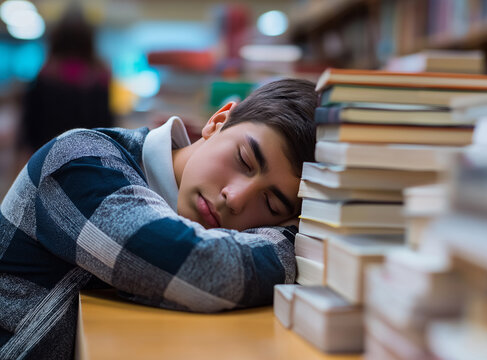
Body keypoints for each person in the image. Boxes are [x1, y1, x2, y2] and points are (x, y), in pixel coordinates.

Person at [0, 78, 317, 359]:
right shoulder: (80, 159)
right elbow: (205, 268)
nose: (234, 198)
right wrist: (296, 240)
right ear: (218, 121)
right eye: (244, 160)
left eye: (272, 203)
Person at [17, 4, 113, 166]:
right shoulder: (99, 75)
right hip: (88, 158)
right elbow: (106, 122)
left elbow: (30, 123)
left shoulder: (46, 73)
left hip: (46, 156)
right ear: (89, 39)